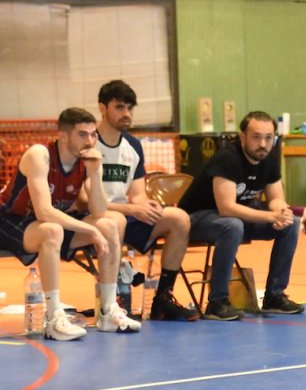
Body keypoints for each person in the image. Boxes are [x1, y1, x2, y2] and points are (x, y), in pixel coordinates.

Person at [0, 108, 140, 340]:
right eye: (83, 135)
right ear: (63, 136)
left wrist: (95, 172)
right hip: (10, 220)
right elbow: (44, 211)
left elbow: (98, 211)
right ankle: (54, 317)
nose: (91, 141)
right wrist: (88, 229)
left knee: (110, 225)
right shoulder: (40, 155)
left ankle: (107, 311)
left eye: (94, 134)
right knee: (53, 230)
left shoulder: (86, 160)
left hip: (48, 222)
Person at [178, 111, 303, 321]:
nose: (263, 144)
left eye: (268, 138)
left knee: (292, 225)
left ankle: (274, 296)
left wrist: (281, 211)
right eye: (256, 137)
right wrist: (271, 217)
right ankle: (217, 302)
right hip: (196, 219)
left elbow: (275, 198)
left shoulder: (269, 159)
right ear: (243, 136)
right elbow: (227, 208)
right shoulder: (227, 158)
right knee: (232, 225)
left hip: (232, 219)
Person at [93, 80, 197, 321]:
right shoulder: (90, 142)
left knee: (179, 219)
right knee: (116, 220)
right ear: (102, 107)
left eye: (130, 108)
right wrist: (131, 208)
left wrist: (145, 206)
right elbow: (84, 202)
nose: (126, 114)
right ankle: (114, 300)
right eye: (119, 107)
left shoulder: (133, 145)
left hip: (124, 214)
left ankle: (163, 299)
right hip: (96, 217)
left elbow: (137, 193)